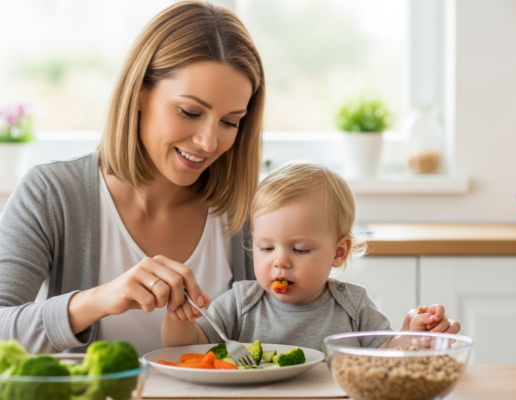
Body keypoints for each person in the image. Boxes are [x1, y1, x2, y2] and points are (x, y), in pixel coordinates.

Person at [0, 0, 265, 356]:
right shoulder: (52, 193)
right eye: (189, 112)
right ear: (140, 93)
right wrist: (100, 299)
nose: (208, 141)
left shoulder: (248, 210)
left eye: (230, 121)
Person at [161, 162, 460, 351]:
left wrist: (411, 334)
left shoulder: (352, 305)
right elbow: (187, 348)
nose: (280, 261)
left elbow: (386, 351)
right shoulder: (241, 302)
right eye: (266, 248)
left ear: (338, 252)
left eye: (300, 249)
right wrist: (180, 322)